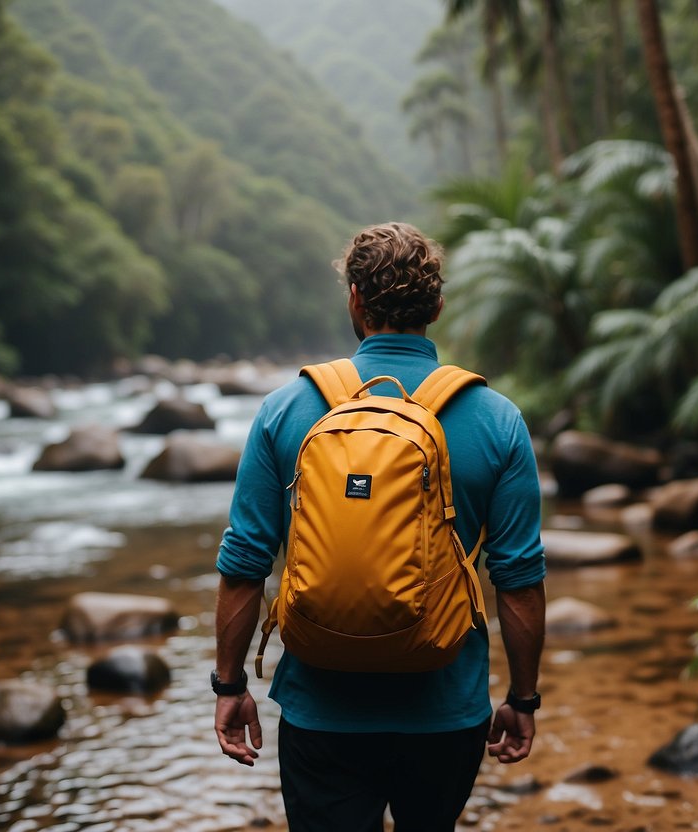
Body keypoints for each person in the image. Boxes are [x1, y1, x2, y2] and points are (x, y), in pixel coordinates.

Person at [212, 221, 546, 831]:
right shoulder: (497, 420)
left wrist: (229, 685)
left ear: (355, 301)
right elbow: (518, 579)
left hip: (322, 709)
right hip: (447, 709)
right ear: (437, 307)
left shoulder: (286, 409)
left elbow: (244, 564)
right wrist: (522, 699)